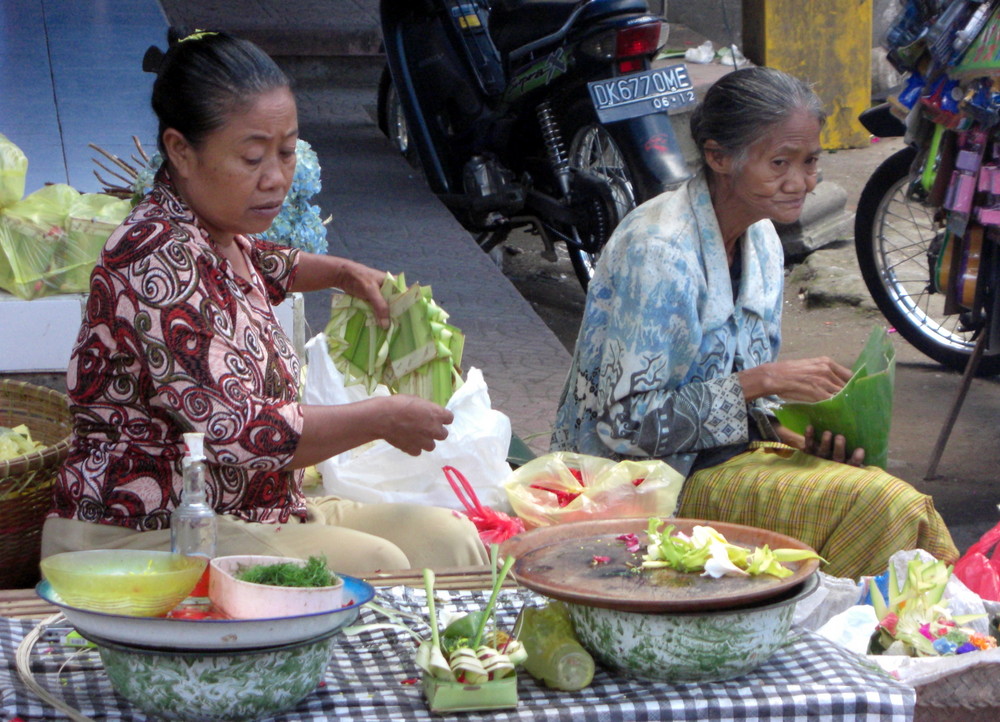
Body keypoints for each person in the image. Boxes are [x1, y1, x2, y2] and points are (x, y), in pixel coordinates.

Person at [41, 28, 488, 575]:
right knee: (379, 566)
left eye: (285, 151)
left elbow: (271, 264)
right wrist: (381, 417)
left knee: (453, 544)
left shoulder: (218, 231)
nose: (275, 178)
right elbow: (239, 432)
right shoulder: (153, 255)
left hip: (257, 507)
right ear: (181, 151)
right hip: (148, 529)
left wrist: (345, 273)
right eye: (253, 157)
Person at [551, 66, 958, 579]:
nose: (801, 183)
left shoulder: (763, 239)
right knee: (883, 507)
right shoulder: (661, 251)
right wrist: (760, 382)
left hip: (717, 460)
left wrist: (799, 438)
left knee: (875, 488)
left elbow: (746, 409)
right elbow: (624, 426)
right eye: (780, 163)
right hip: (634, 485)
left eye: (810, 162)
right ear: (720, 157)